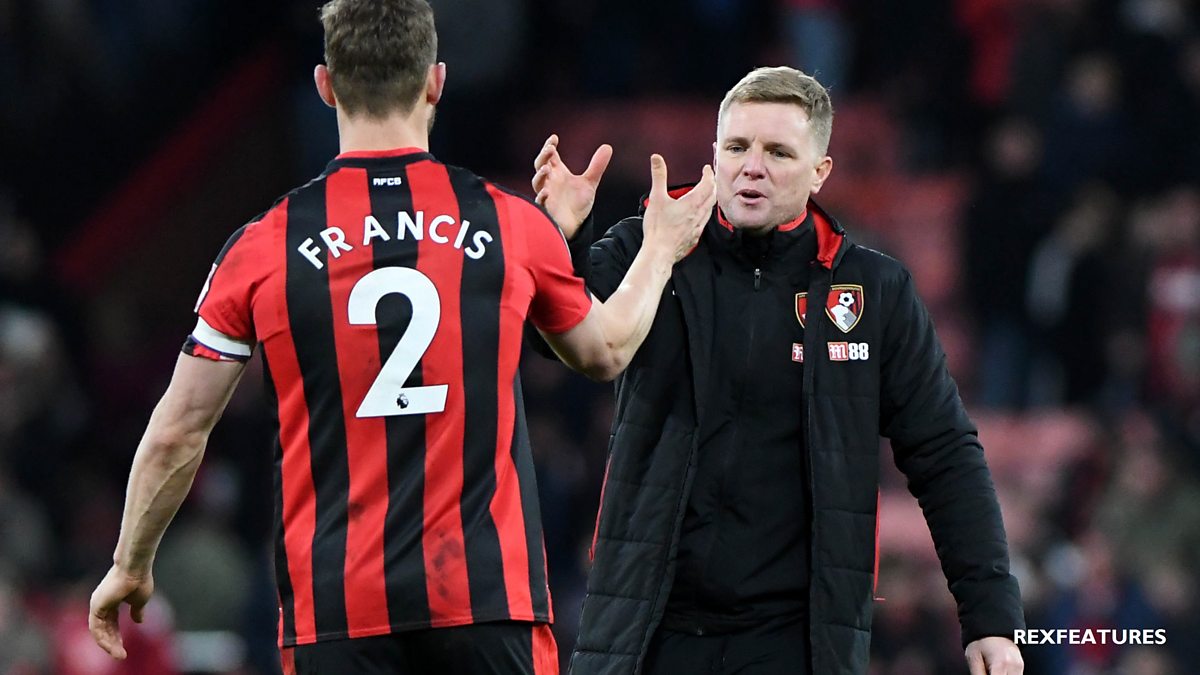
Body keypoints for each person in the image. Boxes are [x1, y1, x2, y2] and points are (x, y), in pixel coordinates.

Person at [86, 1, 716, 673]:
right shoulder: (509, 225)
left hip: (337, 614)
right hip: (486, 602)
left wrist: (130, 562)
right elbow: (607, 350)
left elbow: (179, 430)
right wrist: (658, 246)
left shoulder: (263, 246)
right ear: (436, 81)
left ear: (325, 85)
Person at [531, 66, 1025, 675]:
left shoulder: (872, 291)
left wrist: (990, 616)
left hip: (796, 642)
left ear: (820, 172)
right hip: (648, 632)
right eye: (737, 147)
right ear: (714, 154)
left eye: (778, 152)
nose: (752, 167)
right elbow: (549, 342)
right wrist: (561, 238)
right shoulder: (648, 250)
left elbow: (944, 453)